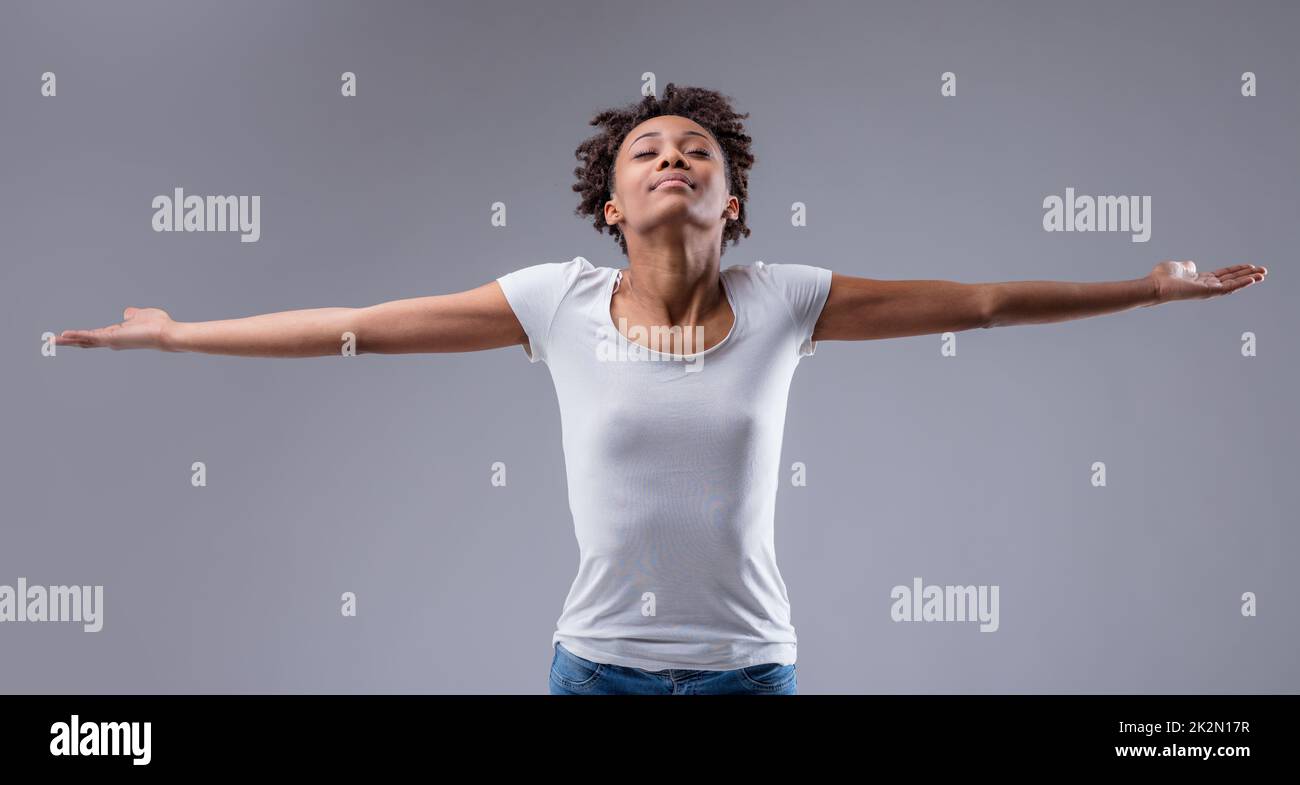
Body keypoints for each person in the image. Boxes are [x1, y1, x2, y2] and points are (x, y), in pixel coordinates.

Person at [56, 84, 1268, 695]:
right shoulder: (555, 304)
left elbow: (988, 303)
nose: (675, 157)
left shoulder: (792, 298)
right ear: (610, 202)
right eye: (649, 151)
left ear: (730, 199)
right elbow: (357, 330)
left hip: (752, 668)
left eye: (701, 151)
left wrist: (1145, 287)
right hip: (593, 667)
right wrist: (177, 333)